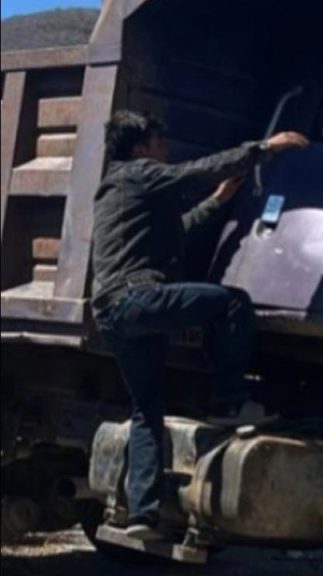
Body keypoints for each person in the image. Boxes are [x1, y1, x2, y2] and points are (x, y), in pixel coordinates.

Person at [90, 111, 309, 540]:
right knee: (232, 304)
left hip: (114, 314)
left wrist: (219, 200)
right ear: (140, 148)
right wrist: (264, 148)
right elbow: (195, 171)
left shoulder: (120, 189)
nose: (165, 150)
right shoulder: (137, 173)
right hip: (137, 300)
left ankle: (142, 516)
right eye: (159, 143)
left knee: (147, 412)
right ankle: (229, 401)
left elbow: (179, 230)